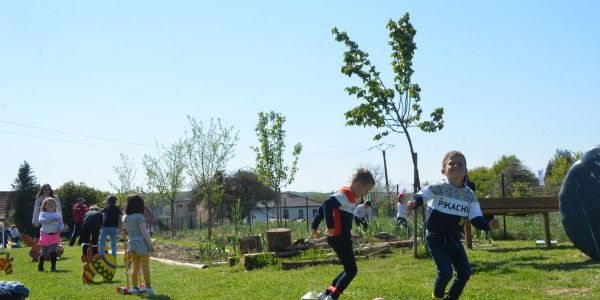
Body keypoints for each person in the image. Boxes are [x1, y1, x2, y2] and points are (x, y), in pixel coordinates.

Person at [407, 151, 499, 300]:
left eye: (460, 164)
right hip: (435, 238)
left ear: (466, 170)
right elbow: (422, 195)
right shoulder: (438, 188)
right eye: (451, 163)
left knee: (465, 273)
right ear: (443, 170)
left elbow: (476, 217)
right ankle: (436, 297)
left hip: (454, 239)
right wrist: (414, 203)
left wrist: (488, 224)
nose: (456, 165)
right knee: (445, 273)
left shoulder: (469, 195)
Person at [316, 168, 375, 300]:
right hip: (340, 238)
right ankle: (332, 297)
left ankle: (326, 294)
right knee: (351, 270)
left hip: (340, 237)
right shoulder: (346, 194)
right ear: (359, 185)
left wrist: (315, 225)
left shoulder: (350, 197)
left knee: (348, 268)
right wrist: (330, 226)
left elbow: (326, 206)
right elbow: (327, 204)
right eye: (366, 190)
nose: (365, 194)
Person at [122, 194, 155, 296]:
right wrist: (150, 244)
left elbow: (128, 231)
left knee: (135, 267)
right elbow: (144, 232)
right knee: (145, 267)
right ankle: (148, 288)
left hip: (131, 244)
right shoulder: (139, 217)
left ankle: (135, 288)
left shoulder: (125, 217)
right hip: (142, 244)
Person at [37, 198, 64, 272]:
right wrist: (50, 220)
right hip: (45, 235)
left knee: (53, 251)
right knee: (44, 252)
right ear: (45, 206)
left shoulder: (58, 214)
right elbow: (41, 220)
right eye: (49, 204)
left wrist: (60, 228)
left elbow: (61, 224)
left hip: (55, 235)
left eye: (53, 204)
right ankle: (41, 264)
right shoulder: (43, 213)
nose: (51, 205)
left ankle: (53, 267)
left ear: (55, 206)